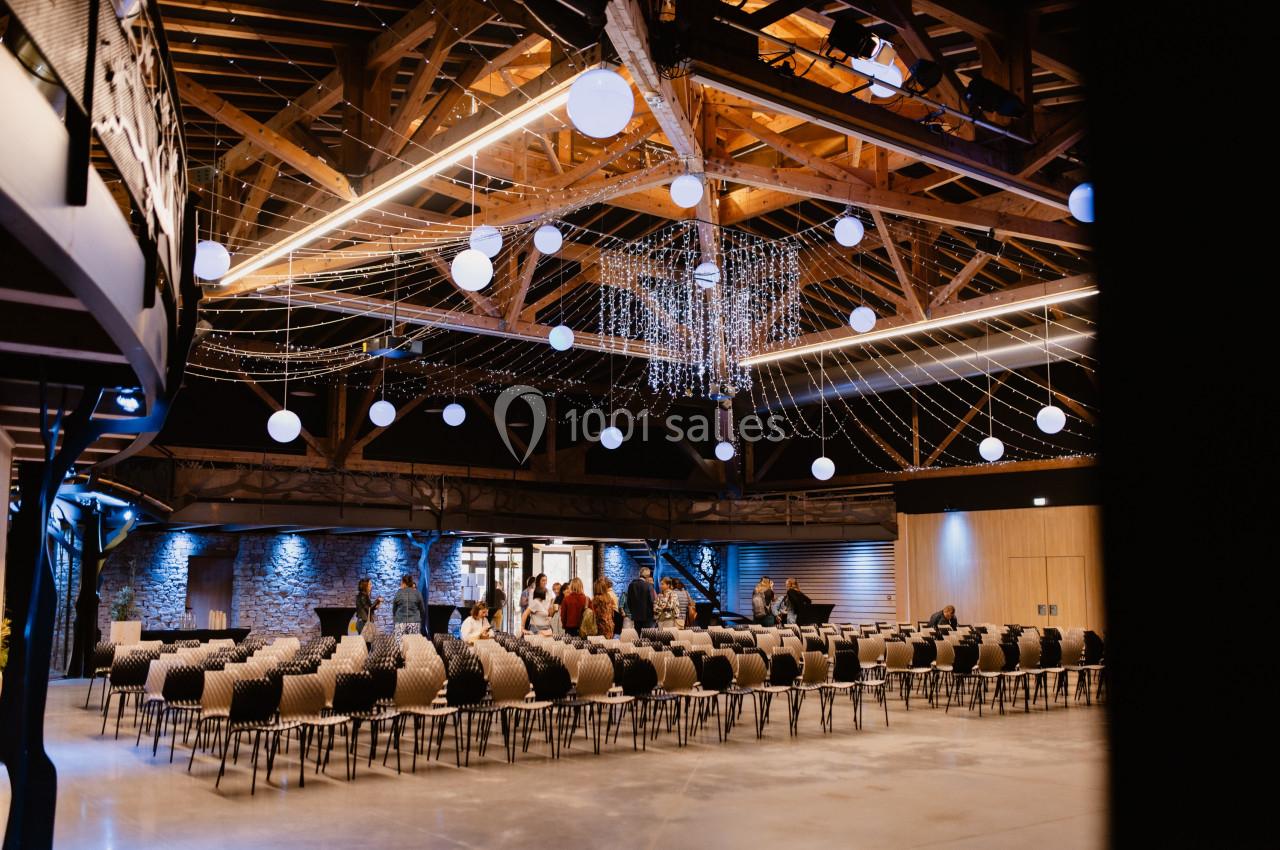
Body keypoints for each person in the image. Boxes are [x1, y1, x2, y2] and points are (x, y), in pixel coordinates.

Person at [392, 574, 425, 638]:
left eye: (401, 583)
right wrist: (418, 618)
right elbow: (422, 610)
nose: (401, 584)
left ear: (404, 583)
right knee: (414, 645)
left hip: (400, 622)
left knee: (400, 645)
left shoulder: (399, 593)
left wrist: (396, 618)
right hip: (414, 622)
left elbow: (394, 610)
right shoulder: (417, 593)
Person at [627, 567, 657, 632]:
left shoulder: (631, 585)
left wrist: (633, 612)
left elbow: (628, 601)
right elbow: (652, 601)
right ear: (648, 576)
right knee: (647, 637)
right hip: (648, 616)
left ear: (639, 574)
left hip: (636, 616)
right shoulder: (649, 586)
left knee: (638, 636)